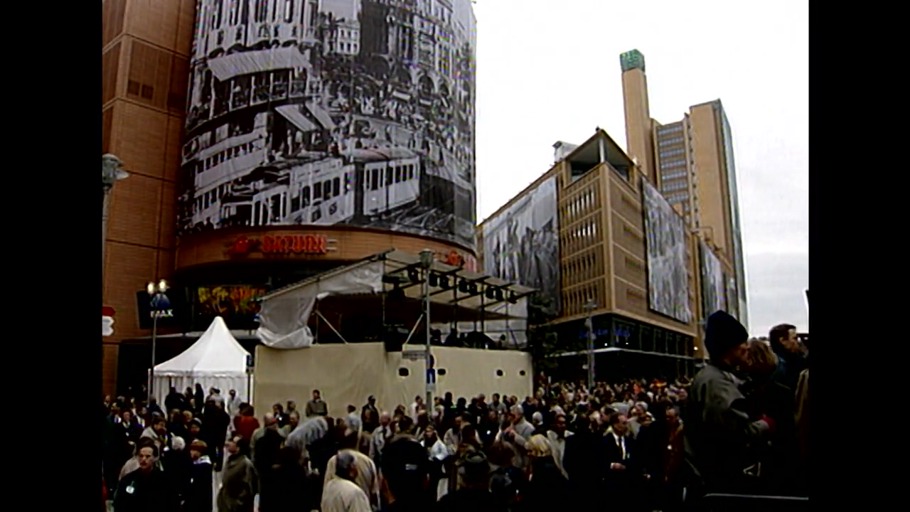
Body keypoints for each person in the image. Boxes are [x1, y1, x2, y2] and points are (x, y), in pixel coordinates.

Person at [683, 311, 775, 504]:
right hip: (721, 478)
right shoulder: (717, 384)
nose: (747, 347)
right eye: (743, 342)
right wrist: (766, 424)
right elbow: (735, 435)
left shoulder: (715, 376)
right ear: (730, 348)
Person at [113, 443, 179, 511]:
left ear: (155, 458)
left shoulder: (165, 481)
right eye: (141, 456)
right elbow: (119, 504)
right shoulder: (128, 480)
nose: (143, 459)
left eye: (148, 456)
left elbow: (173, 504)